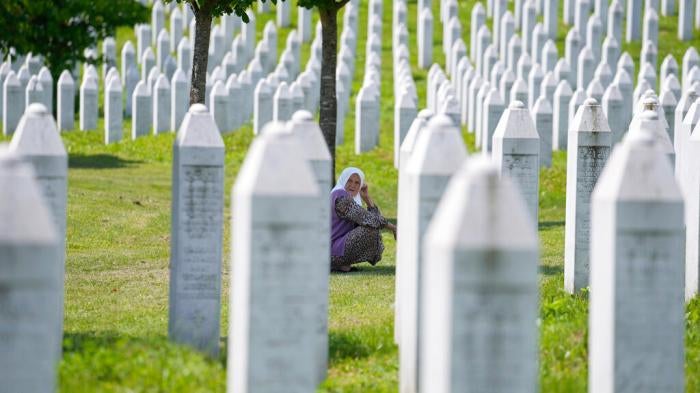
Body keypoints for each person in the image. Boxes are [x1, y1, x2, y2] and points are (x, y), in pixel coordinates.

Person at [330, 167, 397, 272]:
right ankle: (338, 264)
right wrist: (392, 227)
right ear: (343, 179)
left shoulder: (351, 199)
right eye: (349, 180)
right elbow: (367, 218)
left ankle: (342, 265)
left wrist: (366, 198)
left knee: (372, 225)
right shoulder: (340, 195)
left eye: (357, 183)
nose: (353, 185)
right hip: (330, 251)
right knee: (370, 228)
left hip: (335, 249)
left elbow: (373, 219)